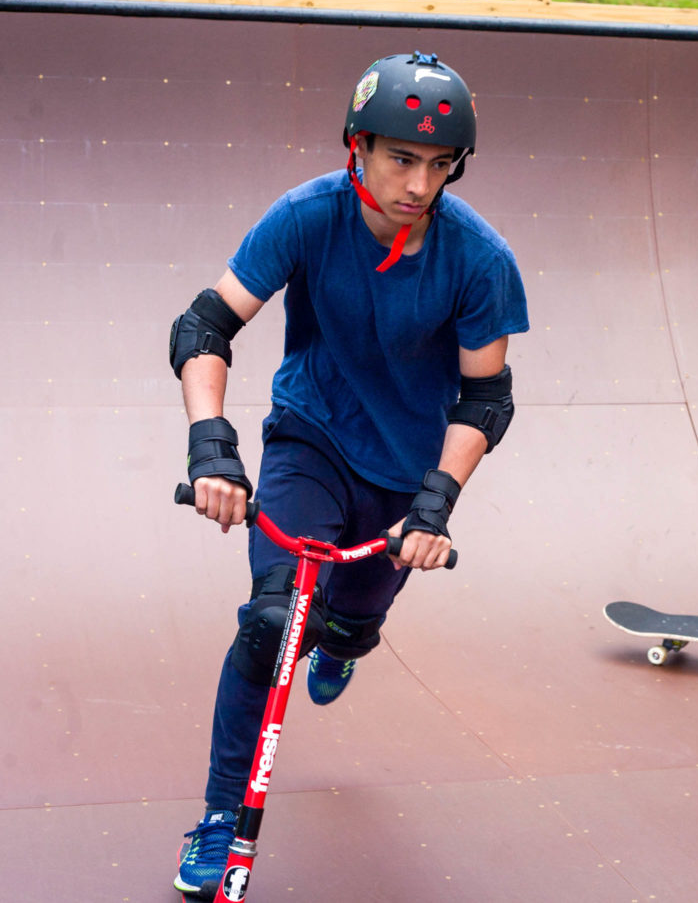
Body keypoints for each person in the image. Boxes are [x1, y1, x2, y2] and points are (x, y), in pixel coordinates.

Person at [170, 51, 529, 895]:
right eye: (400, 158)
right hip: (312, 440)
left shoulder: (478, 259)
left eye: (439, 166)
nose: (418, 183)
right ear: (357, 147)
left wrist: (434, 507)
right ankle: (222, 819)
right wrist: (211, 444)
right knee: (272, 621)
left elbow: (484, 403)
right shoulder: (305, 217)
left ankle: (349, 639)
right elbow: (202, 329)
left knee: (345, 624)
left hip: (404, 476)